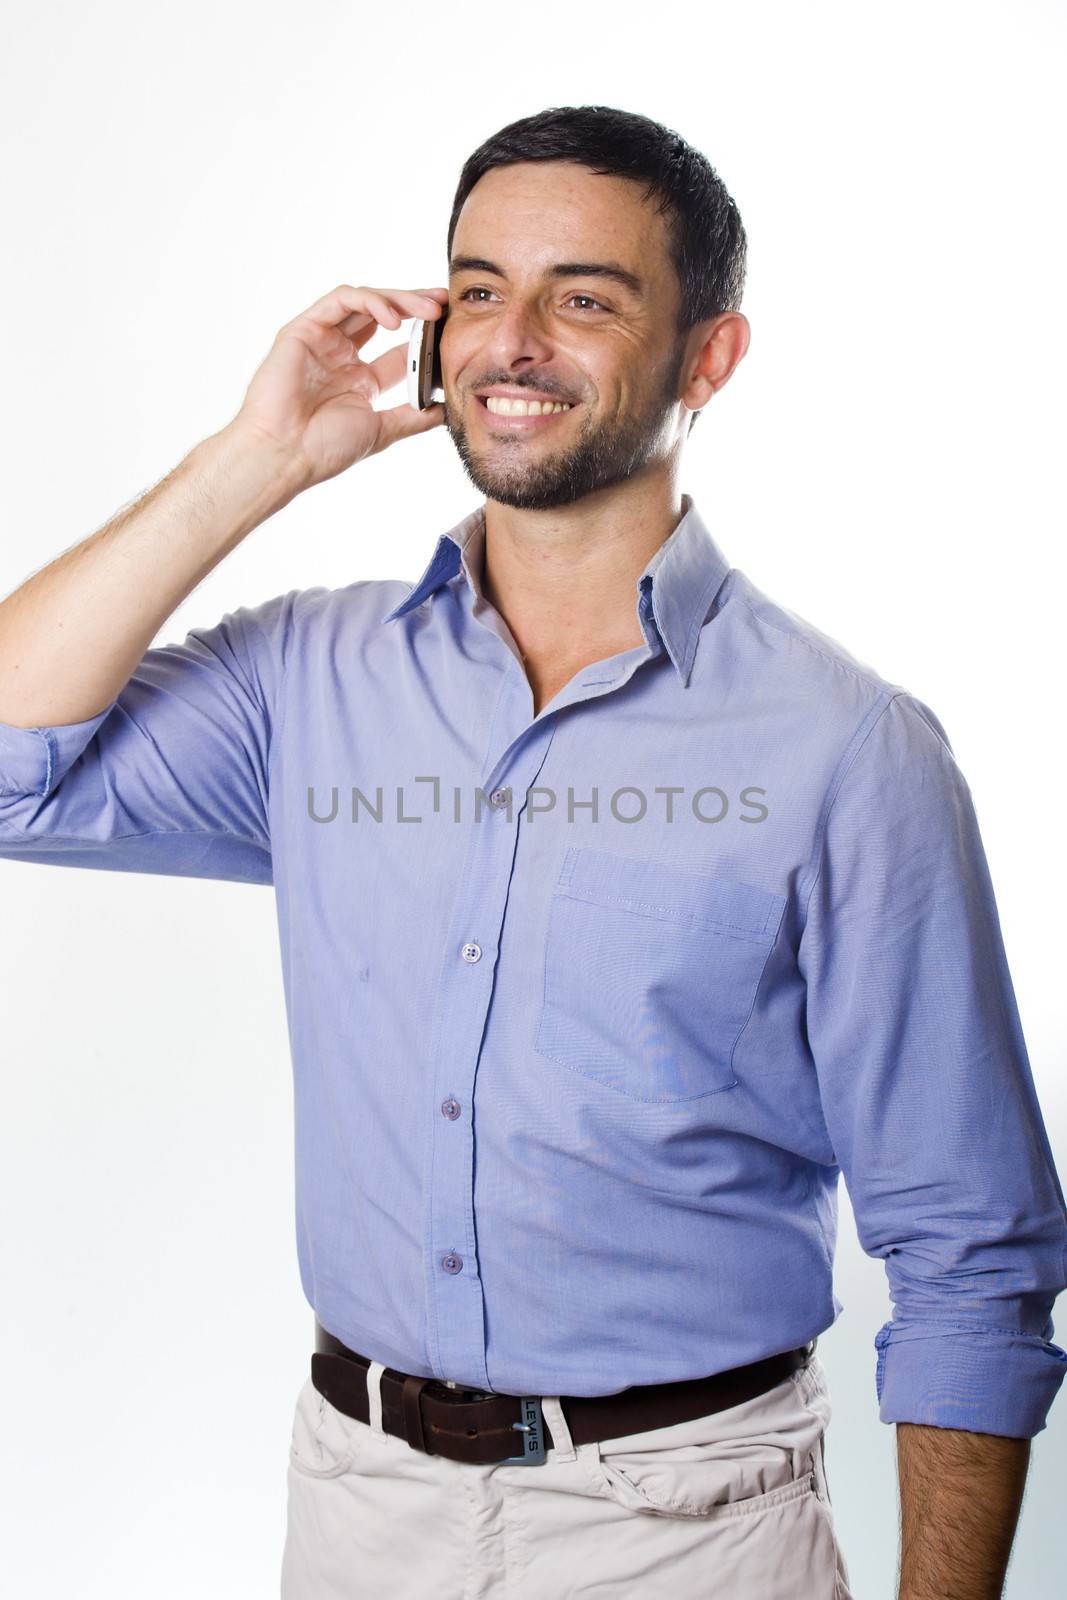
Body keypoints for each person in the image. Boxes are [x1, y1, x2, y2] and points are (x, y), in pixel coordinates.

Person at [1, 103, 1064, 1600]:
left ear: (710, 359)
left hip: (690, 1533)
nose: (512, 339)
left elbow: (973, 1258)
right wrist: (257, 461)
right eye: (479, 288)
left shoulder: (848, 750)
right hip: (357, 1506)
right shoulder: (309, 680)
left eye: (584, 298)